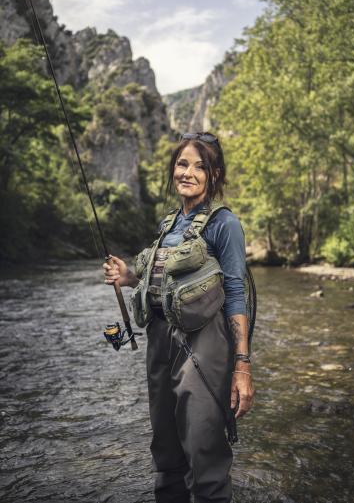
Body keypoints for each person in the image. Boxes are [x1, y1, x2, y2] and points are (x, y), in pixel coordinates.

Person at [103, 132, 255, 503]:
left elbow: (236, 293)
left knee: (204, 448)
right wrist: (127, 277)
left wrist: (242, 367)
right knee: (166, 449)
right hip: (160, 341)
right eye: (182, 163)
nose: (188, 172)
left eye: (200, 166)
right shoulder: (168, 224)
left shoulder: (224, 224)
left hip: (204, 345)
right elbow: (166, 279)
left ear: (214, 175)